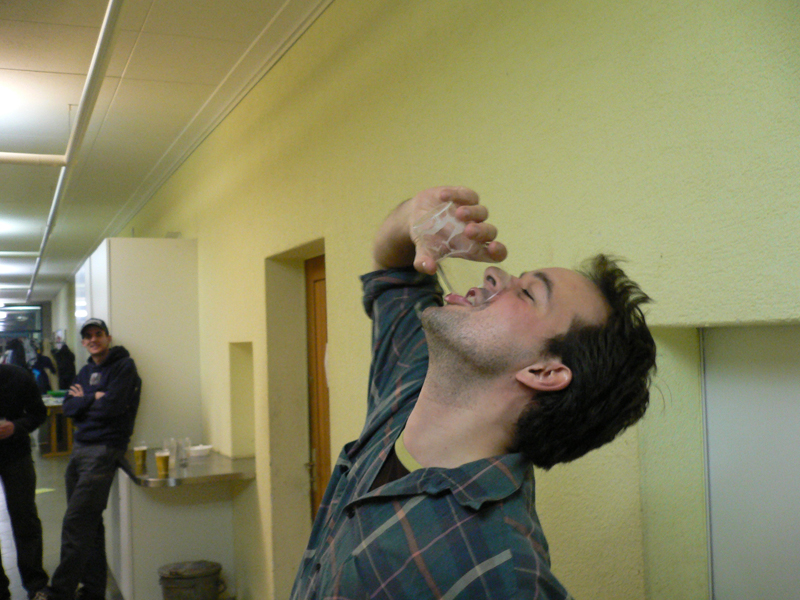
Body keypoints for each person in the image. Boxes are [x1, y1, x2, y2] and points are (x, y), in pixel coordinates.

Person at [290, 186, 656, 599]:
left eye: (527, 293)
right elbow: (393, 271)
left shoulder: (503, 572)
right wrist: (414, 216)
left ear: (544, 372)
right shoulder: (408, 388)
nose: (493, 274)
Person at [35, 319, 141, 600]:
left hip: (105, 449)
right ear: (83, 342)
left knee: (76, 521)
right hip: (80, 449)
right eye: (88, 336)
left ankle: (59, 592)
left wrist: (87, 401)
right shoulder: (85, 371)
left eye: (98, 334)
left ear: (108, 338)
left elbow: (113, 408)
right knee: (90, 525)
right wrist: (95, 397)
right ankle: (93, 591)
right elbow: (69, 408)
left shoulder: (124, 367)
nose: (93, 339)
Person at [0, 364, 49, 600]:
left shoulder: (18, 377)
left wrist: (16, 427)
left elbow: (39, 413)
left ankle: (36, 584)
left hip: (16, 455)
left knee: (25, 519)